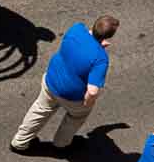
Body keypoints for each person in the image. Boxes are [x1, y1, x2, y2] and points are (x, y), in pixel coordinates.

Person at [10, 15, 116, 154]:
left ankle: (19, 143)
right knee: (75, 117)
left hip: (51, 81)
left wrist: (96, 43)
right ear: (109, 36)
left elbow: (81, 46)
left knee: (40, 109)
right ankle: (61, 144)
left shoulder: (76, 29)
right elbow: (92, 91)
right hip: (72, 97)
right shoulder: (100, 59)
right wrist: (88, 102)